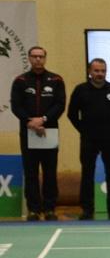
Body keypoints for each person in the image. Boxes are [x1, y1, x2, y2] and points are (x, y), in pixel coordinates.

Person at [10, 46, 65, 221]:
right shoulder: (20, 81)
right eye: (34, 56)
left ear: (45, 58)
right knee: (31, 172)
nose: (38, 59)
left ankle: (49, 209)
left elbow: (60, 104)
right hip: (28, 132)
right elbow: (16, 105)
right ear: (29, 58)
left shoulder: (56, 80)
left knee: (50, 172)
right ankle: (33, 209)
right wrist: (30, 121)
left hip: (49, 132)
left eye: (41, 56)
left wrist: (43, 120)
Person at [67, 58, 110, 220]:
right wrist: (83, 129)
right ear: (89, 72)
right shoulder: (80, 90)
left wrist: (109, 127)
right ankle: (87, 209)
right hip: (89, 139)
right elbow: (72, 114)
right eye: (97, 71)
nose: (100, 74)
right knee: (87, 173)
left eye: (103, 71)